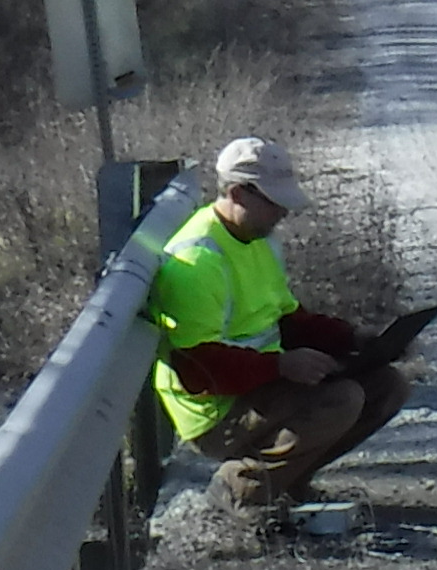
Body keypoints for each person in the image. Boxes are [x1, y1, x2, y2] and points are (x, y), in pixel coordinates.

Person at [150, 135, 413, 511]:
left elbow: (287, 319)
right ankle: (238, 494)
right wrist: (281, 366)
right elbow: (197, 369)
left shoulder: (258, 237)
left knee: (388, 385)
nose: (283, 213)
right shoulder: (197, 261)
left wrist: (354, 339)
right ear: (239, 193)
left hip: (259, 383)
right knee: (343, 399)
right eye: (274, 202)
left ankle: (287, 483)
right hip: (214, 410)